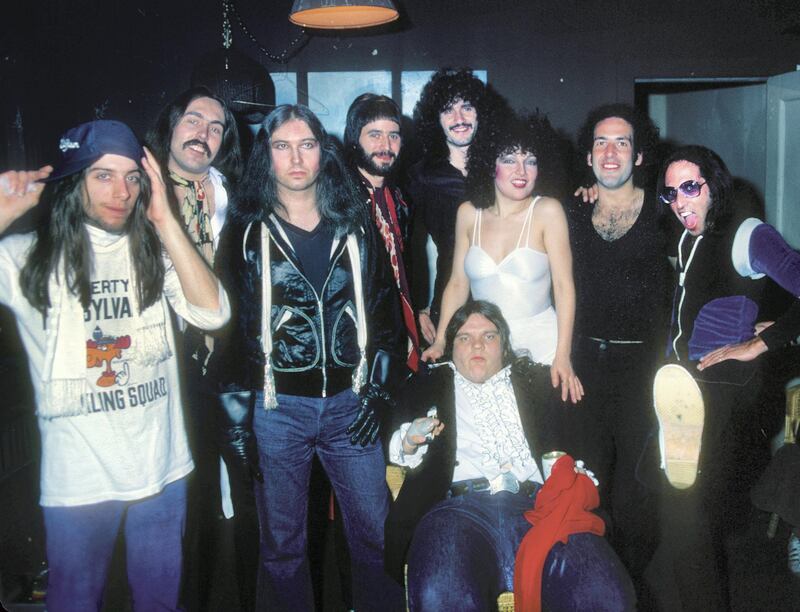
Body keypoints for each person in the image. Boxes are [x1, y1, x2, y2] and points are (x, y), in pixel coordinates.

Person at [0, 119, 230, 611]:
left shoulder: (153, 250)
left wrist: (167, 222)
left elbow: (214, 313)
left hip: (162, 471)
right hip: (79, 481)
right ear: (75, 179)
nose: (121, 191)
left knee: (160, 605)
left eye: (131, 177)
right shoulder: (29, 257)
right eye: (103, 175)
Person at [209, 104, 404, 611]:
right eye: (281, 146)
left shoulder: (355, 222)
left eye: (307, 144)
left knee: (376, 535)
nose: (296, 158)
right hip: (277, 413)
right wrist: (235, 420)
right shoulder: (247, 229)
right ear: (266, 156)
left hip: (350, 405)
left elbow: (384, 310)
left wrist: (380, 388)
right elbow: (229, 327)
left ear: (324, 152)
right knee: (282, 549)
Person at [384, 300, 635, 611]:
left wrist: (578, 475)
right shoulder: (428, 384)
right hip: (456, 513)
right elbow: (396, 448)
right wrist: (411, 438)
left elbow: (592, 438)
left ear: (504, 346)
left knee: (605, 596)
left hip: (540, 509)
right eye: (464, 337)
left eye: (489, 336)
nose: (477, 344)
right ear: (451, 348)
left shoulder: (540, 382)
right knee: (442, 596)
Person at [653, 144, 800, 609]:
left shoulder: (746, 234)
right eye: (671, 193)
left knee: (683, 514)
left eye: (691, 188)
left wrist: (763, 340)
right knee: (674, 518)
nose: (680, 202)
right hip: (684, 387)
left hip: (723, 390)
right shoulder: (687, 235)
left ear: (713, 185)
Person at [147, 85, 252, 611]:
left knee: (244, 502)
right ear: (172, 124)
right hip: (165, 366)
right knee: (185, 502)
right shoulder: (137, 191)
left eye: (216, 127)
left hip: (231, 367)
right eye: (194, 120)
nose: (203, 134)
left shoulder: (234, 193)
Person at [565, 104, 668, 594]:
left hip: (641, 369)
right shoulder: (572, 208)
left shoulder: (664, 210)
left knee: (637, 494)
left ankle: (629, 587)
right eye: (601, 143)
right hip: (583, 366)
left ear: (639, 154)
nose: (611, 152)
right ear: (588, 155)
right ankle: (593, 588)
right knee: (586, 486)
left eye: (622, 142)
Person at [421, 113, 583, 403]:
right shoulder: (469, 213)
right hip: (485, 349)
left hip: (543, 347)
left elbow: (563, 287)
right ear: (489, 164)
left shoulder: (547, 211)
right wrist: (441, 339)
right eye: (509, 159)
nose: (521, 170)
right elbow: (458, 284)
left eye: (530, 160)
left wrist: (563, 355)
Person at [406, 68, 510, 344]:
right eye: (448, 110)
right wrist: (415, 307)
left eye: (467, 107)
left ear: (481, 113)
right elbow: (402, 246)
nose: (459, 119)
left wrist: (588, 185)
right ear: (435, 120)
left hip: (510, 301)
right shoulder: (421, 176)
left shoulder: (506, 167)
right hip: (452, 305)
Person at [344, 93, 419, 371]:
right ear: (355, 139)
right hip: (359, 339)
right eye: (374, 135)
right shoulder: (340, 200)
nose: (386, 145)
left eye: (394, 136)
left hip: (399, 330)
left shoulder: (399, 198)